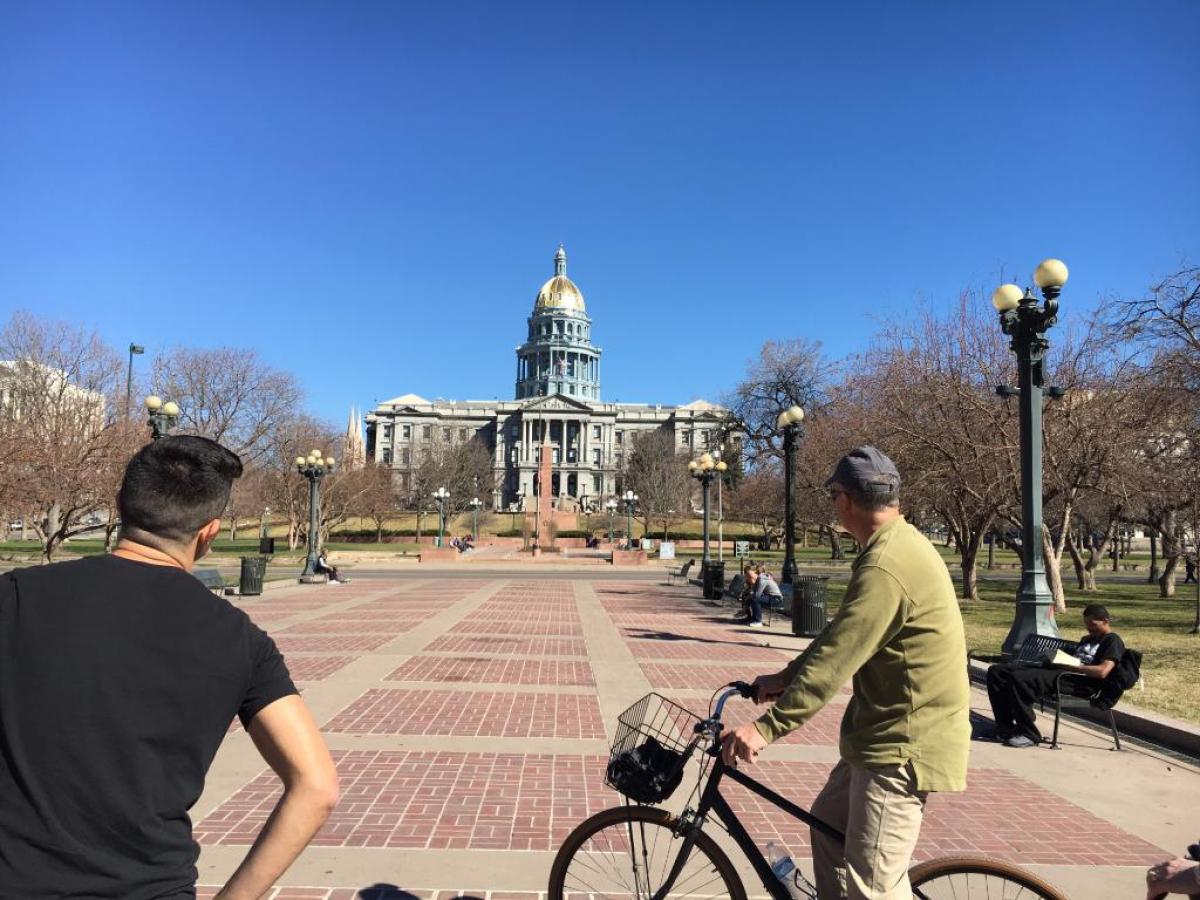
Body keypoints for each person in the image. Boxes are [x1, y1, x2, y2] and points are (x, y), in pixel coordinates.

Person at [0, 435, 339, 899]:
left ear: (120, 505)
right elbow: (317, 787)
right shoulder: (241, 640)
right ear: (209, 533)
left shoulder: (15, 596)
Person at [720, 445, 970, 900]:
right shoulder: (895, 545)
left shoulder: (886, 566)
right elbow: (841, 635)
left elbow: (835, 663)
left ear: (847, 500)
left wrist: (766, 729)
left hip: (902, 747)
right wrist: (786, 676)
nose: (834, 504)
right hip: (877, 735)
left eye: (833, 495)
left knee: (873, 887)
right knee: (828, 829)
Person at [985, 604, 1125, 748]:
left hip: (1080, 682)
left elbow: (1102, 671)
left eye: (1093, 625)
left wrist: (1074, 667)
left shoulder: (1113, 641)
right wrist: (1055, 657)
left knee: (1020, 679)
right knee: (997, 672)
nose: (1089, 628)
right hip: (1063, 673)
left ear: (1105, 621)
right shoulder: (1089, 639)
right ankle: (1005, 727)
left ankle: (1029, 734)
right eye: (1087, 624)